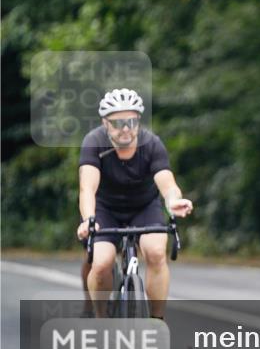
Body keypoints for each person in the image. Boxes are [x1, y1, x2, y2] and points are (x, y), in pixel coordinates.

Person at [76, 89, 193, 318]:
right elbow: (87, 188)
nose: (126, 129)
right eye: (118, 123)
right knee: (100, 264)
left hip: (143, 207)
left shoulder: (151, 144)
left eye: (131, 121)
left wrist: (174, 201)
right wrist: (88, 219)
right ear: (105, 123)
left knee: (157, 253)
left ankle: (157, 320)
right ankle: (100, 318)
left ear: (138, 121)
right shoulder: (94, 142)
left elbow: (167, 184)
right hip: (105, 209)